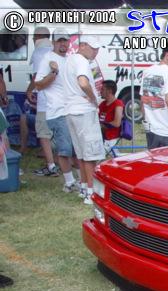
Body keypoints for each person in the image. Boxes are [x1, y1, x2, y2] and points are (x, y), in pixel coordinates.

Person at [62, 34, 105, 205]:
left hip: (71, 110)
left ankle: (84, 187)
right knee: (90, 155)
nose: (96, 52)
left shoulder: (69, 60)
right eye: (93, 48)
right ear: (83, 45)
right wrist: (93, 98)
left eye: (97, 49)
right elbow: (83, 82)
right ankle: (90, 192)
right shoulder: (82, 61)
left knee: (81, 154)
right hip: (84, 110)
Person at [34, 28, 77, 193]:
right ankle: (69, 182)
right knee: (65, 150)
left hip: (72, 110)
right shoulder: (48, 58)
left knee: (75, 149)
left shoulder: (70, 59)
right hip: (58, 112)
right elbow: (38, 85)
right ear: (53, 42)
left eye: (65, 40)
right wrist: (54, 72)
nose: (63, 44)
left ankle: (81, 182)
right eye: (59, 41)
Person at [26, 27, 57, 177]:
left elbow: (36, 77)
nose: (32, 39)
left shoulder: (39, 52)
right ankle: (59, 162)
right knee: (57, 134)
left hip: (45, 101)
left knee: (44, 134)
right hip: (59, 102)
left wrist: (29, 91)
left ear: (38, 37)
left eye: (33, 37)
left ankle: (51, 166)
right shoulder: (54, 51)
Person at [98, 80, 124, 155]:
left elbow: (117, 123)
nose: (100, 91)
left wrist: (102, 125)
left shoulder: (118, 103)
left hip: (112, 139)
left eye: (102, 89)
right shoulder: (102, 104)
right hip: (102, 137)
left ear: (109, 91)